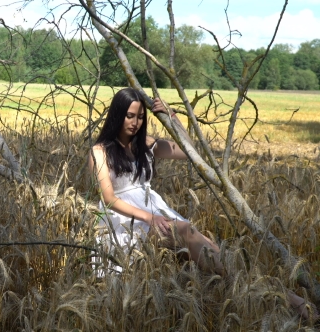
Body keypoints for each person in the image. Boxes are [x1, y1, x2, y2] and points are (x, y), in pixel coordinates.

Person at [88, 87, 316, 320]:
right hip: (128, 223)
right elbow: (109, 199)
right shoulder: (99, 151)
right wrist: (150, 217)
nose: (135, 122)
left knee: (217, 257)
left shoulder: (144, 143)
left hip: (155, 211)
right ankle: (290, 301)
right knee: (195, 240)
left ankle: (273, 303)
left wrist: (172, 117)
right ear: (117, 114)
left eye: (140, 116)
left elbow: (187, 151)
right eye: (130, 116)